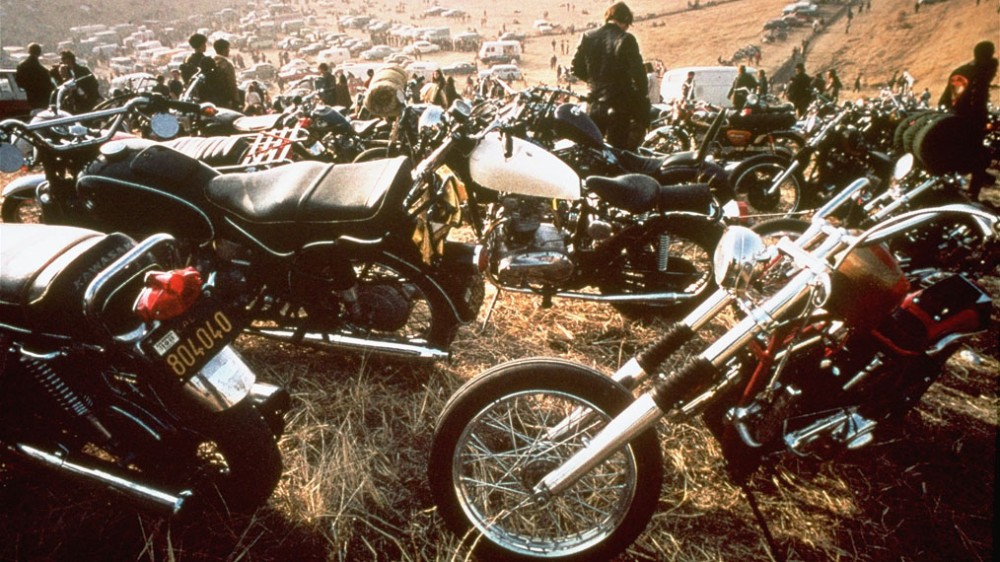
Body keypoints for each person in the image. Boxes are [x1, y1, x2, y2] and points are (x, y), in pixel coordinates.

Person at [570, 1, 648, 150]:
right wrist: (640, 98)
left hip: (593, 103)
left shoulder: (587, 36)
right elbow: (639, 75)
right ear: (625, 20)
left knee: (592, 151)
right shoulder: (627, 39)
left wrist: (594, 81)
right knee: (617, 152)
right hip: (619, 105)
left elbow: (576, 68)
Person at [938, 40, 998, 201]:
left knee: (978, 158)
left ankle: (970, 191)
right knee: (968, 157)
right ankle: (961, 190)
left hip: (970, 123)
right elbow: (954, 101)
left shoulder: (980, 73)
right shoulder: (965, 74)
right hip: (959, 122)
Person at [15, 43, 54, 111]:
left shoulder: (22, 66)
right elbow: (48, 86)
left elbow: (19, 82)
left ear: (29, 51)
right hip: (42, 99)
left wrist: (28, 87)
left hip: (29, 96)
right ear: (39, 53)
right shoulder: (43, 70)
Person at [180, 33, 217, 101]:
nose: (205, 46)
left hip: (192, 93)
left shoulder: (187, 59)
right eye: (204, 44)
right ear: (201, 45)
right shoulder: (205, 60)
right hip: (205, 94)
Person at [208, 39, 239, 109]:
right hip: (226, 99)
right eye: (228, 48)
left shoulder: (212, 61)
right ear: (224, 50)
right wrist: (236, 100)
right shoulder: (227, 64)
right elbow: (232, 84)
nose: (229, 50)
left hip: (214, 99)